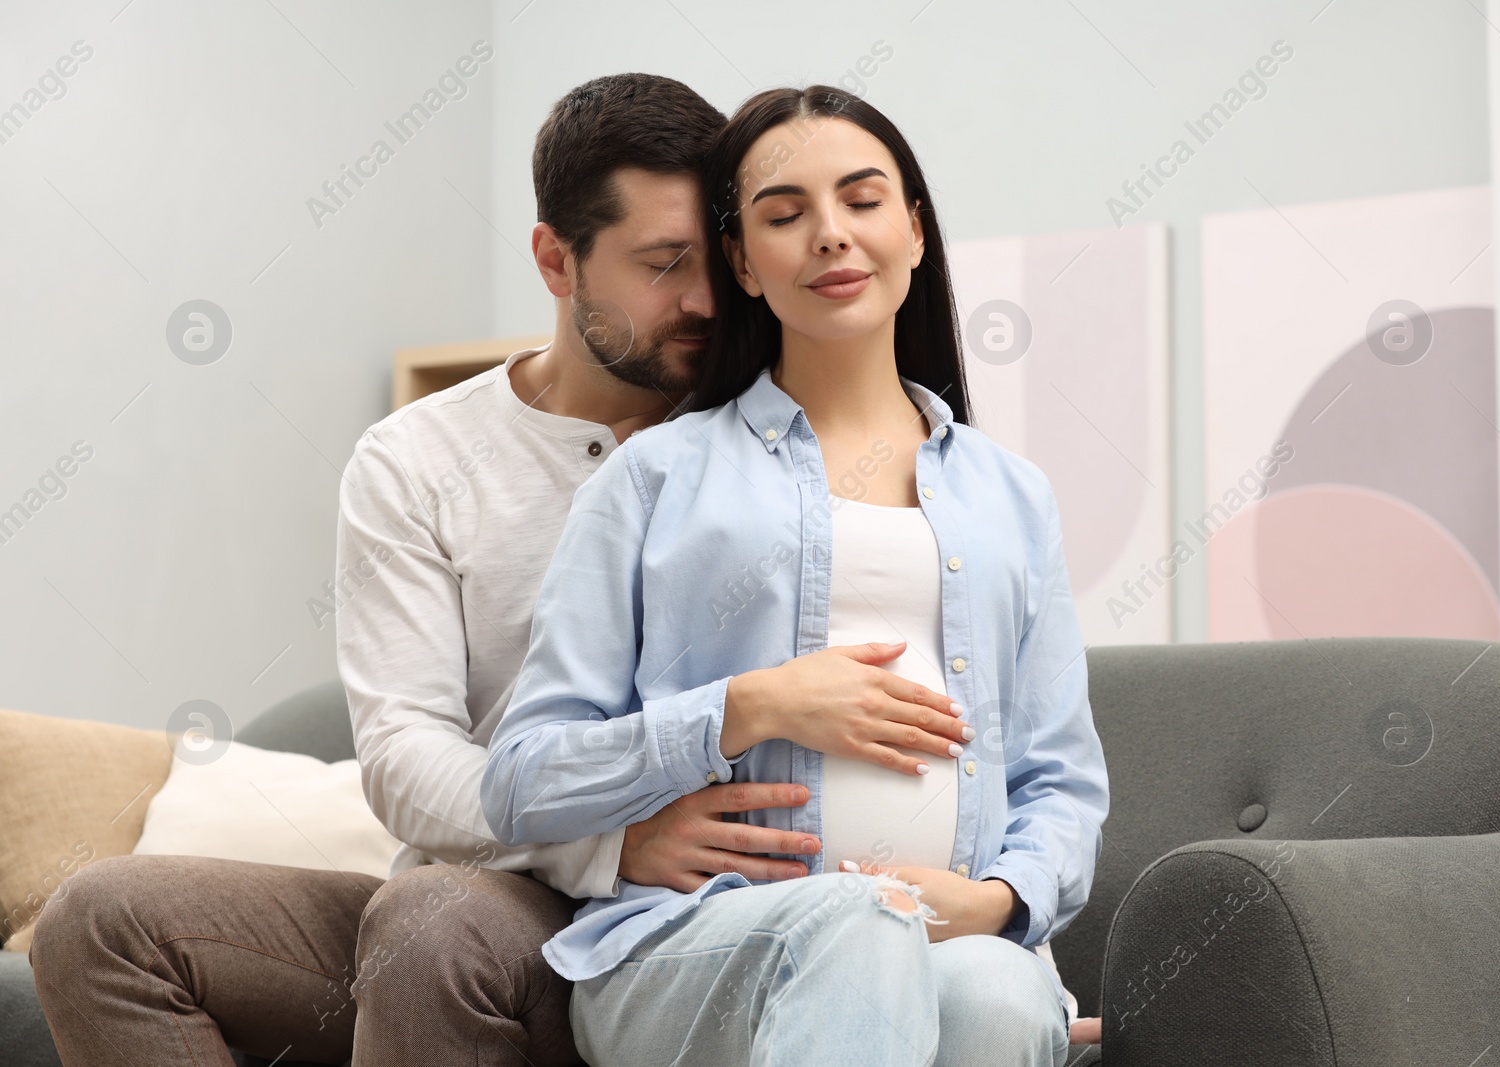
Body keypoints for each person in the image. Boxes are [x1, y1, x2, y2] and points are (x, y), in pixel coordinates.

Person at [30, 73, 838, 1067]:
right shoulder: (415, 459)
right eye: (663, 263)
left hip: (680, 913)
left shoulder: (777, 432)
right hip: (486, 894)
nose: (704, 299)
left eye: (715, 257)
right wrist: (602, 844)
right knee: (100, 918)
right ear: (556, 258)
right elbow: (408, 758)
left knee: (429, 921)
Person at [481, 84, 1110, 1066]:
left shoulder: (1013, 496)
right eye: (784, 214)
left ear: (911, 228)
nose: (829, 234)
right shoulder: (654, 476)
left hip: (946, 931)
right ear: (741, 260)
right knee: (857, 923)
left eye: (861, 201)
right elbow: (522, 779)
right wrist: (751, 704)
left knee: (996, 989)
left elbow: (1060, 780)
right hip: (693, 947)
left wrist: (997, 899)